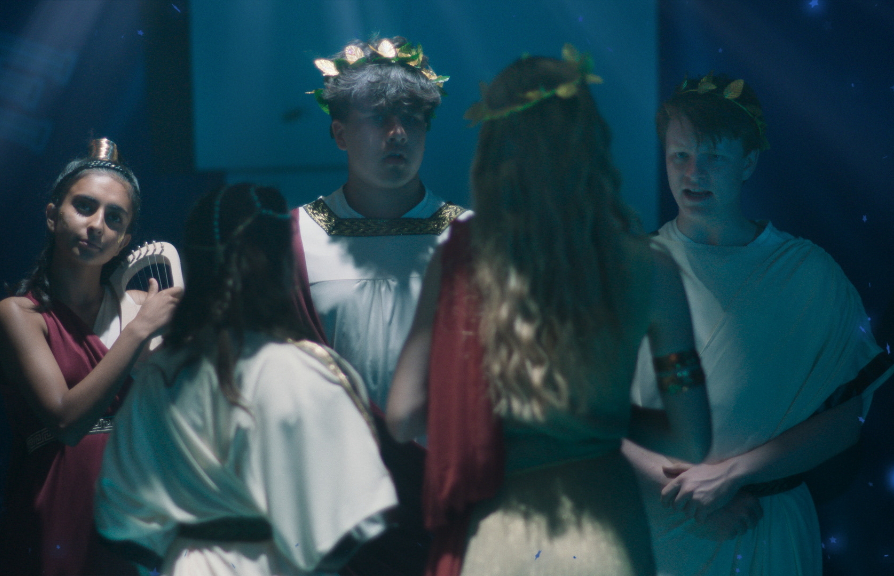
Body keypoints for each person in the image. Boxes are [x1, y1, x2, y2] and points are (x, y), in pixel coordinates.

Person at [386, 48, 713, 576]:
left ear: (495, 150)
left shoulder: (461, 263)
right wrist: (599, 416)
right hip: (606, 536)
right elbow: (691, 440)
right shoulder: (651, 270)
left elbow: (403, 416)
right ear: (588, 142)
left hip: (497, 540)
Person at [621, 73, 894, 575]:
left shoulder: (809, 274)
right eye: (679, 156)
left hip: (767, 525)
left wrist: (734, 475)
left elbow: (845, 421)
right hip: (658, 527)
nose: (693, 173)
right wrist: (691, 495)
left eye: (713, 157)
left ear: (748, 162)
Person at [95, 184, 398, 576]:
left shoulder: (162, 374)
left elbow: (119, 522)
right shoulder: (315, 372)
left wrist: (187, 548)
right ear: (282, 263)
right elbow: (353, 522)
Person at [292, 36, 463, 574]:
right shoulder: (292, 238)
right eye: (377, 118)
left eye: (411, 118)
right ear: (339, 133)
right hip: (330, 502)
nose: (397, 133)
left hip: (446, 497)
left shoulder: (470, 236)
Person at [0, 138, 182, 575]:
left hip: (136, 507)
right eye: (84, 207)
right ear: (52, 214)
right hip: (57, 506)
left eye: (114, 218)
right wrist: (139, 331)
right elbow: (66, 421)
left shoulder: (142, 305)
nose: (97, 225)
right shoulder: (19, 315)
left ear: (124, 241)